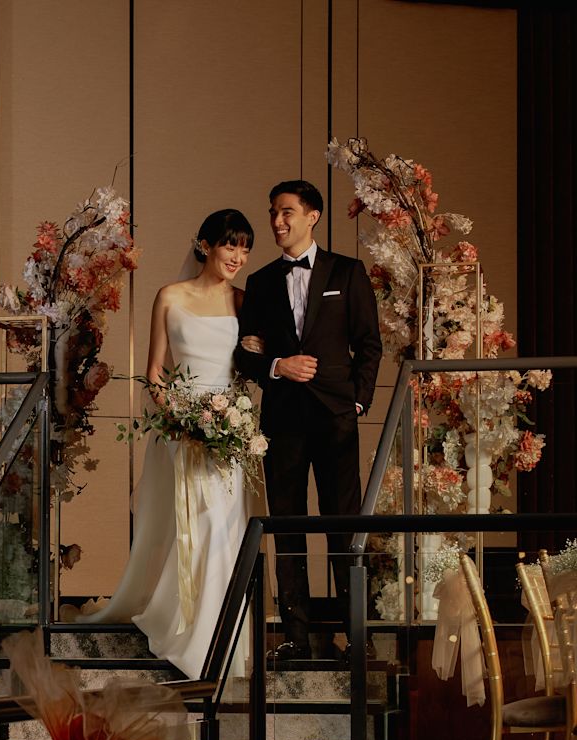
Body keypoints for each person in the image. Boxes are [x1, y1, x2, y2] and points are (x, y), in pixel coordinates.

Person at [78, 209, 255, 681]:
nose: (237, 256)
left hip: (228, 432)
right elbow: (155, 370)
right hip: (182, 428)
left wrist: (227, 420)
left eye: (244, 248)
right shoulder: (169, 296)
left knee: (225, 529)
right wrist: (178, 414)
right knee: (190, 526)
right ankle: (185, 627)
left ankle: (219, 643)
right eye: (229, 246)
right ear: (205, 246)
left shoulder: (245, 301)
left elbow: (252, 367)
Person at [234, 180, 382, 663]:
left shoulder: (348, 271)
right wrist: (279, 365)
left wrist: (358, 402)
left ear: (312, 215)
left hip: (337, 417)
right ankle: (296, 635)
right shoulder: (259, 283)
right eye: (274, 213)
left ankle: (354, 634)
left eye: (287, 212)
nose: (278, 222)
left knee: (343, 526)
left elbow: (369, 344)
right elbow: (246, 354)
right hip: (283, 420)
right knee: (288, 525)